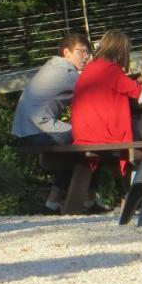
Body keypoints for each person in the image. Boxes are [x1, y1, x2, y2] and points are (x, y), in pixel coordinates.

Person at [11, 32, 104, 213]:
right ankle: (87, 201)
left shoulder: (52, 67)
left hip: (25, 131)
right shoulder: (66, 72)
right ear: (66, 53)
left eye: (88, 52)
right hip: (39, 131)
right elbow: (97, 91)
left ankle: (56, 202)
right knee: (95, 143)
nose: (85, 57)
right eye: (81, 52)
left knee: (80, 150)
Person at [71, 30, 142, 177]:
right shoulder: (111, 70)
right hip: (101, 135)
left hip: (83, 133)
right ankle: (139, 190)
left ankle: (127, 193)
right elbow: (139, 93)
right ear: (122, 50)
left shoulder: (91, 67)